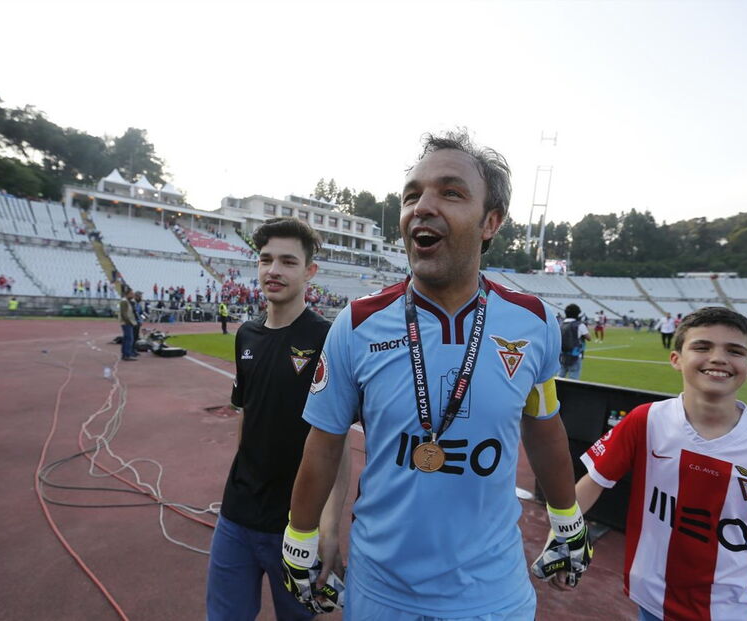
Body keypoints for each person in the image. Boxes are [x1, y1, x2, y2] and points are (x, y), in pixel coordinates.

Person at [284, 130, 591, 619]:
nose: (421, 206)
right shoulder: (358, 323)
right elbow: (324, 441)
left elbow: (543, 424)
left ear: (491, 221)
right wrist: (300, 536)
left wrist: (567, 517)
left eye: (450, 192)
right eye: (412, 194)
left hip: (494, 594)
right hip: (381, 591)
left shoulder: (533, 323)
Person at [574, 307, 747, 620]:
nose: (718, 358)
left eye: (734, 351)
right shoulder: (646, 420)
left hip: (742, 609)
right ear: (676, 359)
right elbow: (591, 484)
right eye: (702, 347)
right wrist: (561, 536)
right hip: (654, 599)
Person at [207, 217, 350, 620]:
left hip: (295, 524)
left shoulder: (328, 339)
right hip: (236, 515)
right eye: (266, 259)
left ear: (309, 271)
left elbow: (336, 444)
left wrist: (329, 527)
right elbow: (247, 415)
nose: (273, 270)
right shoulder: (246, 336)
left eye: (288, 261)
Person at [559, 303, 590, 379]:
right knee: (573, 378)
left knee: (560, 377)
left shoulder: (561, 324)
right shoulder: (579, 325)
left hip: (562, 355)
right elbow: (588, 337)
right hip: (575, 355)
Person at [118, 288, 138, 361]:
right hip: (126, 323)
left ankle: (125, 354)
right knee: (129, 339)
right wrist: (129, 322)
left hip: (127, 322)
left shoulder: (127, 301)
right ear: (128, 294)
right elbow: (124, 314)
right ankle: (127, 354)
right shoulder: (124, 301)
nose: (133, 295)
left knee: (126, 338)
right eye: (131, 294)